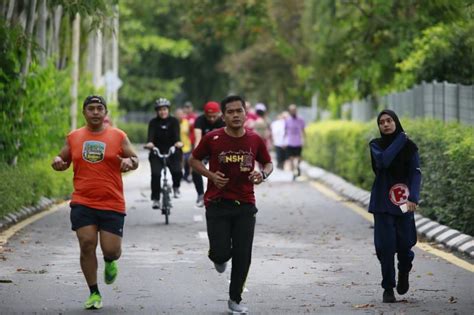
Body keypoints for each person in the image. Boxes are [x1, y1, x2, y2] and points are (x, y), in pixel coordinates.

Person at [51, 95, 139, 310]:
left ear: (105, 112)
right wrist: (58, 162)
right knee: (87, 244)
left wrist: (129, 161)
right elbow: (62, 158)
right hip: (83, 200)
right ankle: (94, 292)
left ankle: (110, 262)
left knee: (111, 250)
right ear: (84, 113)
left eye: (100, 108)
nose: (96, 112)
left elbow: (135, 159)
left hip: (112, 202)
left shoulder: (118, 136)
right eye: (91, 108)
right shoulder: (74, 137)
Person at [189, 95, 273, 314]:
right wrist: (211, 175)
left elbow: (268, 162)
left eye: (239, 111)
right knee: (220, 253)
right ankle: (218, 257)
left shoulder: (254, 140)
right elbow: (194, 160)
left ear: (246, 113)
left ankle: (235, 299)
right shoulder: (213, 138)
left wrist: (262, 174)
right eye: (230, 112)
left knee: (243, 253)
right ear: (223, 116)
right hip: (217, 203)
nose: (235, 115)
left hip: (245, 204)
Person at [368, 109, 421, 303]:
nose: (386, 124)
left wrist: (413, 197)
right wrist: (400, 140)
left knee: (405, 243)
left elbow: (415, 173)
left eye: (389, 120)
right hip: (382, 203)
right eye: (382, 122)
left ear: (396, 122)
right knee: (385, 248)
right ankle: (388, 288)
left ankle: (404, 271)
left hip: (404, 202)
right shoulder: (376, 145)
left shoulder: (410, 147)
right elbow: (383, 162)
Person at [144, 98, 183, 210]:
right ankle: (156, 199)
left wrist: (178, 143)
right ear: (157, 111)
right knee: (156, 175)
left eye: (164, 109)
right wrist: (150, 144)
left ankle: (176, 187)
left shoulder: (174, 121)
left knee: (177, 171)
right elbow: (150, 137)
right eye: (160, 110)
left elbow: (177, 136)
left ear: (168, 110)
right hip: (157, 152)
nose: (162, 112)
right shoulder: (153, 122)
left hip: (172, 151)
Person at [191, 101, 225, 207]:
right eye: (208, 116)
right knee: (195, 169)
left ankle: (224, 195)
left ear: (219, 113)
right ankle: (200, 195)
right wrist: (196, 156)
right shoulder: (200, 120)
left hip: (221, 151)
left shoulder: (223, 121)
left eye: (214, 116)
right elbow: (198, 139)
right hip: (205, 150)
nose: (211, 119)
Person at [285, 104, 305, 180]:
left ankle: (297, 168)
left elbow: (303, 131)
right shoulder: (287, 120)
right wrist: (284, 142)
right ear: (289, 111)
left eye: (294, 110)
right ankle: (294, 172)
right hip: (290, 143)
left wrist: (304, 141)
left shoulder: (301, 120)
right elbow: (285, 132)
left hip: (298, 142)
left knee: (297, 158)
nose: (293, 111)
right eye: (291, 110)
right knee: (292, 159)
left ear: (296, 110)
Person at [175, 108, 192, 183]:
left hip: (187, 145)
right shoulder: (174, 123)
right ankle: (180, 176)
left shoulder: (187, 122)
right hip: (177, 145)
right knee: (180, 162)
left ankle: (188, 175)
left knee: (188, 161)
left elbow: (191, 133)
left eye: (181, 114)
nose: (180, 116)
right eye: (178, 114)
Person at [183, 101, 198, 181]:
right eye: (186, 107)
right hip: (185, 142)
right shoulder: (183, 118)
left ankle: (191, 174)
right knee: (185, 159)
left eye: (189, 107)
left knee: (191, 158)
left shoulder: (194, 117)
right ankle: (185, 173)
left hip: (193, 141)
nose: (188, 109)